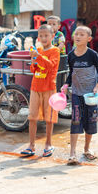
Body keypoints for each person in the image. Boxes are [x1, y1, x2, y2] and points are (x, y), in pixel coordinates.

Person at [62, 26, 98, 165]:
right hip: (76, 94)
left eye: (81, 34)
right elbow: (71, 73)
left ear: (89, 38)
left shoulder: (92, 54)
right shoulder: (71, 55)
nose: (78, 37)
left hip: (90, 96)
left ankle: (86, 149)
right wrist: (66, 84)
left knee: (90, 122)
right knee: (75, 121)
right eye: (76, 34)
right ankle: (72, 153)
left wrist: (97, 87)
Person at [21, 24, 60, 157]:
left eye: (46, 35)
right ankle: (31, 145)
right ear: (38, 37)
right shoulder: (38, 50)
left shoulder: (55, 51)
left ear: (52, 36)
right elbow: (33, 69)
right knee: (32, 117)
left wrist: (39, 57)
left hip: (49, 87)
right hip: (35, 87)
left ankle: (48, 144)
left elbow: (50, 66)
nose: (43, 38)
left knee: (49, 117)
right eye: (41, 36)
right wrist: (34, 60)